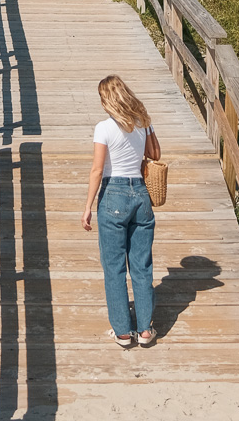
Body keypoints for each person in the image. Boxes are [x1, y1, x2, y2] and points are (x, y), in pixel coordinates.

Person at [81, 74, 161, 348]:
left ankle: (123, 332)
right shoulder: (141, 123)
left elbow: (97, 170)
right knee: (141, 265)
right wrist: (147, 124)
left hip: (112, 195)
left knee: (114, 268)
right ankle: (146, 330)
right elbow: (156, 154)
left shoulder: (103, 128)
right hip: (140, 195)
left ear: (107, 101)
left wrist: (88, 206)